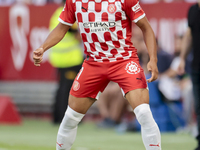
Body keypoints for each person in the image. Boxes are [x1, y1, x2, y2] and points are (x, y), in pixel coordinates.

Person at [33, 0, 162, 150]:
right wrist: (43, 47)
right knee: (70, 118)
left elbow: (146, 27)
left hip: (124, 61)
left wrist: (153, 59)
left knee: (143, 113)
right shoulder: (74, 2)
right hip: (94, 64)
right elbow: (61, 28)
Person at [49, 3, 84, 123]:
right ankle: (65, 118)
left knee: (62, 88)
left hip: (60, 57)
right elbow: (76, 35)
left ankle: (57, 116)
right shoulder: (68, 13)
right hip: (70, 58)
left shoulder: (57, 13)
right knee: (68, 90)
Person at [177, 2, 200, 150]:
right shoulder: (193, 10)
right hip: (196, 66)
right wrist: (182, 59)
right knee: (198, 107)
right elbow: (189, 35)